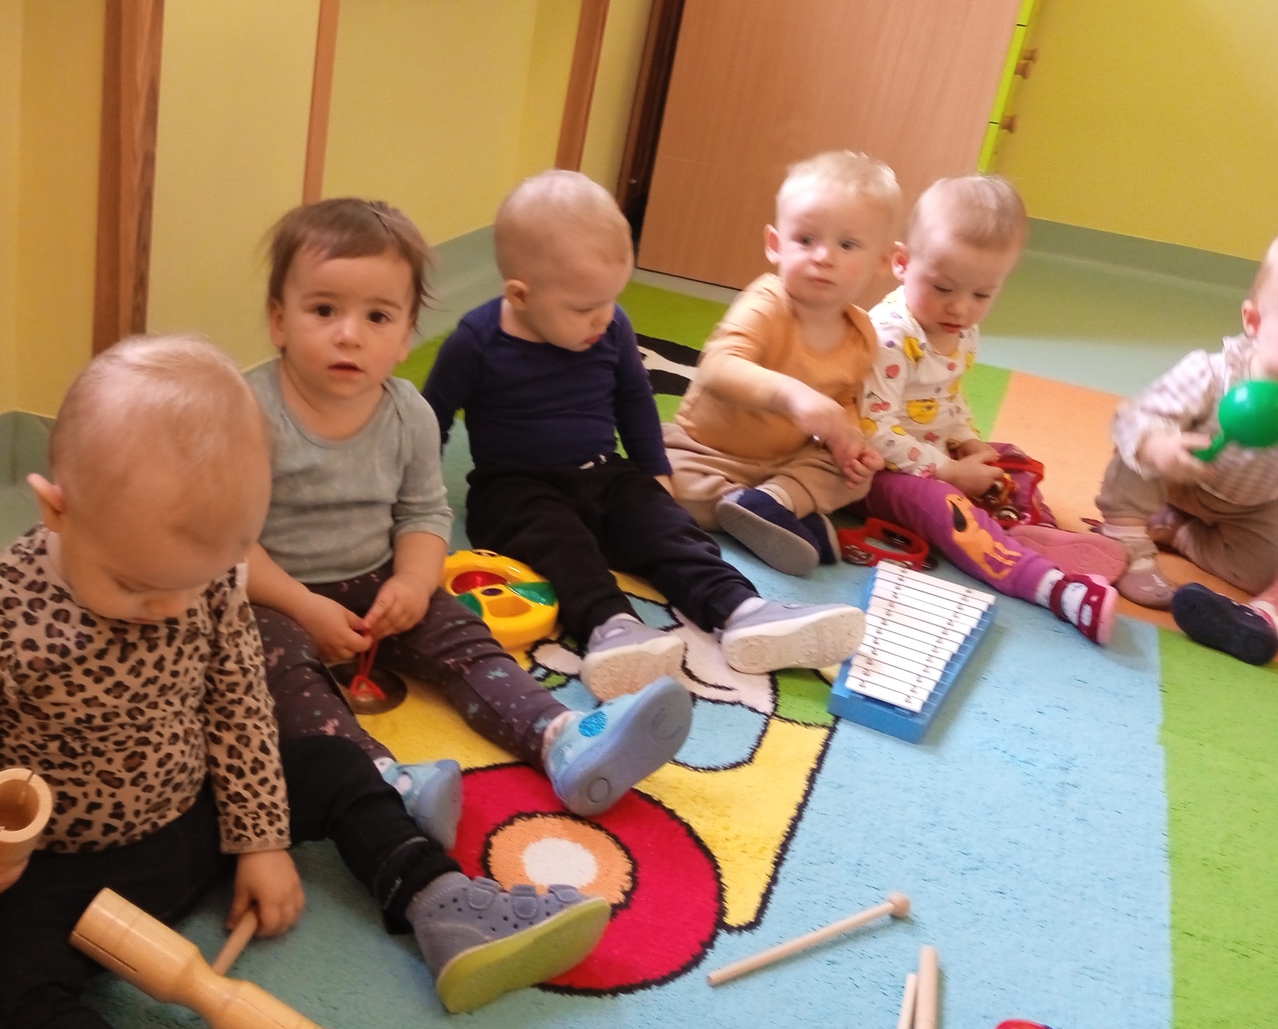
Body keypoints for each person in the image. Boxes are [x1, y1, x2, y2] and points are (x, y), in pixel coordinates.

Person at [0, 335, 611, 1029]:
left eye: (193, 583)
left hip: (196, 815)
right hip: (58, 865)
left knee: (332, 763)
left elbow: (238, 708)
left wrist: (259, 839)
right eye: (134, 585)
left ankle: (442, 901)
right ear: (56, 509)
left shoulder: (210, 581)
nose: (166, 609)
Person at [246, 198, 693, 842]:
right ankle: (381, 780)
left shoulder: (408, 413)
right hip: (276, 596)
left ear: (407, 335)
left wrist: (412, 580)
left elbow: (424, 511)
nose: (349, 334)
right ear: (278, 320)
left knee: (465, 638)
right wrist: (302, 606)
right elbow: (226, 543)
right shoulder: (248, 413)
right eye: (323, 310)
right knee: (275, 673)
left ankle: (560, 736)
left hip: (380, 581)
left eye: (377, 316)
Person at [422, 170, 866, 701]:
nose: (603, 319)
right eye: (584, 308)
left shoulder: (611, 326)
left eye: (611, 300)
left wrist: (655, 470)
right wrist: (415, 501)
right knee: (561, 547)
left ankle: (741, 609)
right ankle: (611, 627)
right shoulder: (476, 342)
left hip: (603, 471)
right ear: (520, 295)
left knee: (667, 528)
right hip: (514, 487)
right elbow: (431, 418)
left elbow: (634, 400)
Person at [859, 175, 1119, 645]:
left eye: (982, 295)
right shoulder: (891, 336)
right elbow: (872, 429)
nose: (960, 308)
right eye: (942, 287)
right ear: (902, 262)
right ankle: (1056, 589)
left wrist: (968, 442)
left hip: (933, 455)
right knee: (947, 507)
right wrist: (949, 472)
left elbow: (947, 399)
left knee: (1011, 459)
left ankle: (1031, 529)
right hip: (876, 472)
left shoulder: (958, 330)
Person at [663, 151, 899, 574]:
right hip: (708, 451)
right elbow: (717, 367)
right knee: (661, 481)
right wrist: (793, 396)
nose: (823, 256)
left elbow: (843, 400)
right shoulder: (767, 303)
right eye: (805, 240)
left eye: (847, 245)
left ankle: (773, 503)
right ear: (775, 245)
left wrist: (848, 441)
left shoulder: (862, 333)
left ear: (882, 260)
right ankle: (775, 511)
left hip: (784, 462)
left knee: (854, 477)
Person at [1093, 239, 1278, 665]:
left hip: (1248, 506)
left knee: (1261, 571)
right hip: (1177, 481)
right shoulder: (1212, 374)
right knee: (1138, 455)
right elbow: (1130, 418)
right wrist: (1160, 448)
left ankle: (1178, 532)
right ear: (1253, 321)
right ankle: (1127, 537)